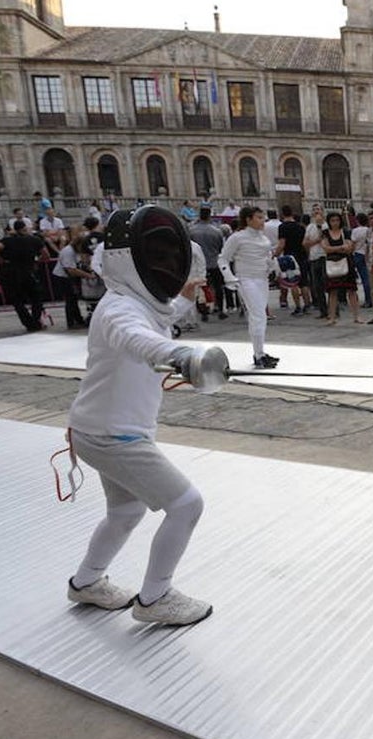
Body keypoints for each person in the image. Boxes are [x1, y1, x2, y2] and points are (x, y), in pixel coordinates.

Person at [65, 205, 225, 626]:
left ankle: (86, 582)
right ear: (129, 260)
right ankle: (156, 598)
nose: (167, 265)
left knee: (125, 512)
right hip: (115, 436)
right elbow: (139, 339)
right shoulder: (118, 311)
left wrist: (185, 298)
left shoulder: (135, 303)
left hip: (99, 429)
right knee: (186, 504)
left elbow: (157, 322)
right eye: (159, 257)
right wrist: (182, 354)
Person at [221, 206, 279, 368]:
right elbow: (223, 258)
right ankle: (258, 355)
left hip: (262, 279)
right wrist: (229, 277)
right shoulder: (237, 238)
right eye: (259, 217)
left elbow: (268, 256)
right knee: (257, 316)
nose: (262, 221)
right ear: (248, 219)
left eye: (263, 217)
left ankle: (259, 353)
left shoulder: (263, 238)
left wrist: (273, 266)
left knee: (260, 316)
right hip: (246, 279)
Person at [0, 219, 47, 331]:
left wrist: (0, 259)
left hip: (10, 272)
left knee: (17, 301)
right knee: (36, 298)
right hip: (28, 271)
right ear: (25, 228)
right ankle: (35, 320)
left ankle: (28, 323)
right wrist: (36, 261)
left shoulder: (7, 241)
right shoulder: (34, 240)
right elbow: (46, 254)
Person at [321, 211, 360, 325]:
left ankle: (356, 316)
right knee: (332, 292)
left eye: (337, 220)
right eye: (332, 220)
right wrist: (340, 248)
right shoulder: (325, 233)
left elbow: (349, 248)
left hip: (346, 263)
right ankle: (332, 317)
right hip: (332, 264)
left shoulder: (345, 232)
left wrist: (334, 248)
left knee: (352, 291)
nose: (335, 223)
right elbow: (326, 249)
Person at [188, 207, 226, 319]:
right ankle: (220, 309)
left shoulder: (192, 231)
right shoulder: (216, 231)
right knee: (218, 287)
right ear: (209, 216)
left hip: (198, 264)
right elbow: (220, 247)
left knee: (201, 288)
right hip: (213, 262)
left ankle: (203, 311)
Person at [275, 206, 310, 315]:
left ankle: (298, 306)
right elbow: (305, 243)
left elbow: (282, 244)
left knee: (293, 282)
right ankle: (307, 305)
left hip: (290, 259)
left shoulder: (282, 227)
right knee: (304, 282)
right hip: (302, 256)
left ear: (282, 214)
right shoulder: (300, 227)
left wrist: (275, 255)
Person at [304, 206, 332, 319]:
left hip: (324, 256)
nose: (316, 211)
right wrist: (315, 241)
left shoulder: (327, 226)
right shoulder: (310, 227)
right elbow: (305, 243)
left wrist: (320, 227)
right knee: (317, 286)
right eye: (314, 210)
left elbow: (325, 239)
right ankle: (323, 310)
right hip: (313, 257)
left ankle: (333, 309)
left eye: (318, 209)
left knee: (328, 284)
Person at [350, 211, 373, 309]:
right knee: (368, 277)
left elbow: (353, 243)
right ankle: (371, 298)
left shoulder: (355, 231)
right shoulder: (369, 230)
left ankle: (368, 300)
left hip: (358, 254)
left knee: (364, 278)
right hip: (369, 254)